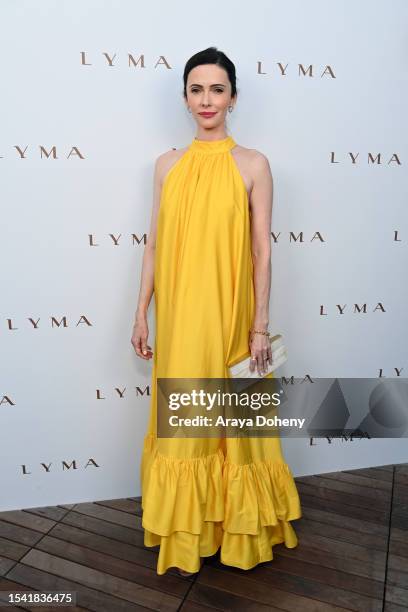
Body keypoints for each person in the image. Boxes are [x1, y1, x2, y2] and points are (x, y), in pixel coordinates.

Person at [131, 46, 302, 577]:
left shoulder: (253, 163)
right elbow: (154, 246)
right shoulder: (166, 166)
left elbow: (262, 251)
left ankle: (238, 533)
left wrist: (259, 326)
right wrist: (141, 313)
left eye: (217, 89)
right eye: (196, 89)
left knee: (234, 422)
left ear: (233, 96)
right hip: (179, 317)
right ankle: (188, 534)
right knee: (185, 424)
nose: (207, 100)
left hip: (231, 315)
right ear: (185, 99)